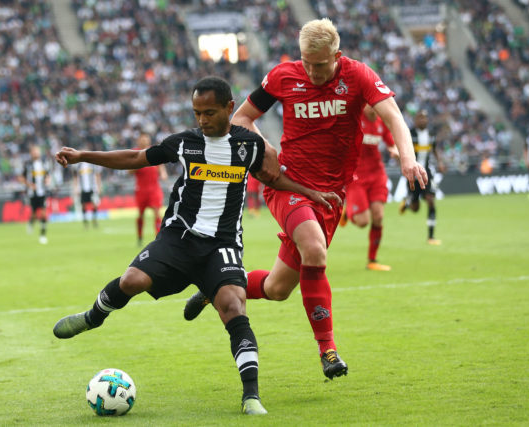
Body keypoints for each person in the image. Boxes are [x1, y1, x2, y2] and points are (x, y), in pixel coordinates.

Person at [52, 77, 341, 415]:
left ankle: (251, 397)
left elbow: (272, 177)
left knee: (234, 306)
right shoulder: (185, 143)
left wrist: (310, 193)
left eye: (209, 112)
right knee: (131, 281)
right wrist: (83, 156)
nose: (202, 120)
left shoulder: (249, 146)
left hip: (223, 243)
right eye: (196, 113)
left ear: (230, 109)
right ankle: (94, 316)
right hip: (179, 238)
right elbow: (136, 157)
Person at [183, 19, 428, 380]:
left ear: (337, 56)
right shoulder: (284, 76)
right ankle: (327, 350)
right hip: (289, 186)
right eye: (306, 62)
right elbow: (242, 118)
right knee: (314, 248)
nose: (312, 71)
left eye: (321, 64)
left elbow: (393, 115)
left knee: (277, 288)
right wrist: (264, 146)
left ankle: (215, 285)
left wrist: (408, 157)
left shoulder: (358, 76)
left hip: (330, 197)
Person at [339, 104, 399, 271]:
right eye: (368, 105)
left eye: (374, 105)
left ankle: (372, 260)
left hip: (377, 174)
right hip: (356, 175)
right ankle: (348, 211)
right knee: (363, 222)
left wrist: (396, 151)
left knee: (379, 216)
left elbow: (391, 143)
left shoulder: (381, 123)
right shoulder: (356, 120)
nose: (371, 108)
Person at [398, 110, 444, 245]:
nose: (423, 120)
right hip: (413, 172)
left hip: (427, 172)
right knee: (415, 208)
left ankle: (431, 237)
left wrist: (440, 162)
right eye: (420, 118)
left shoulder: (431, 134)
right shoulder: (410, 134)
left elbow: (434, 149)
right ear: (415, 120)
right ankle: (407, 203)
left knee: (431, 200)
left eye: (425, 118)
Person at [131, 132, 168, 245]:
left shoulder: (154, 151)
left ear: (148, 140)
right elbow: (129, 170)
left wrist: (163, 173)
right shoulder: (135, 152)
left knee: (157, 213)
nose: (144, 141)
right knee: (141, 214)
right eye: (142, 139)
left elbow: (161, 167)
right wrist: (137, 165)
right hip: (141, 189)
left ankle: (158, 238)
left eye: (146, 139)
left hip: (154, 189)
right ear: (138, 140)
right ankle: (140, 237)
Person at [21, 146, 51, 244]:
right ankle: (30, 223)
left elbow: (48, 175)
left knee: (43, 213)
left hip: (42, 192)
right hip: (32, 194)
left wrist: (47, 180)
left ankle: (42, 235)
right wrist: (30, 185)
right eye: (34, 151)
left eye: (37, 151)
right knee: (34, 213)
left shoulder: (44, 163)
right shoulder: (28, 165)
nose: (36, 153)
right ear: (31, 153)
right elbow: (22, 178)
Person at [74, 156, 102, 228]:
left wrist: (99, 187)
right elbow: (76, 177)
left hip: (92, 188)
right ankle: (85, 221)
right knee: (83, 205)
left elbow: (97, 175)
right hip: (82, 189)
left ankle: (94, 220)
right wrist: (76, 187)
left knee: (95, 204)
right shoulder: (79, 165)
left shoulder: (92, 165)